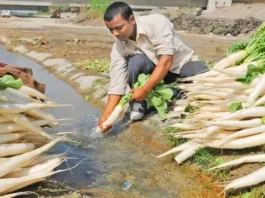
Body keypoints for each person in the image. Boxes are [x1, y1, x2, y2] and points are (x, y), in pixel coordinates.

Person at [98, 2, 207, 132]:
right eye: (111, 30)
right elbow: (117, 82)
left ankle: (173, 93)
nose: (115, 33)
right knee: (136, 62)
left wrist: (145, 89)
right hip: (155, 74)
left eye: (119, 28)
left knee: (203, 76)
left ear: (131, 20)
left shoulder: (156, 22)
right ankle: (140, 103)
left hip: (180, 65)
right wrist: (107, 115)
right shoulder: (119, 46)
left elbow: (166, 60)